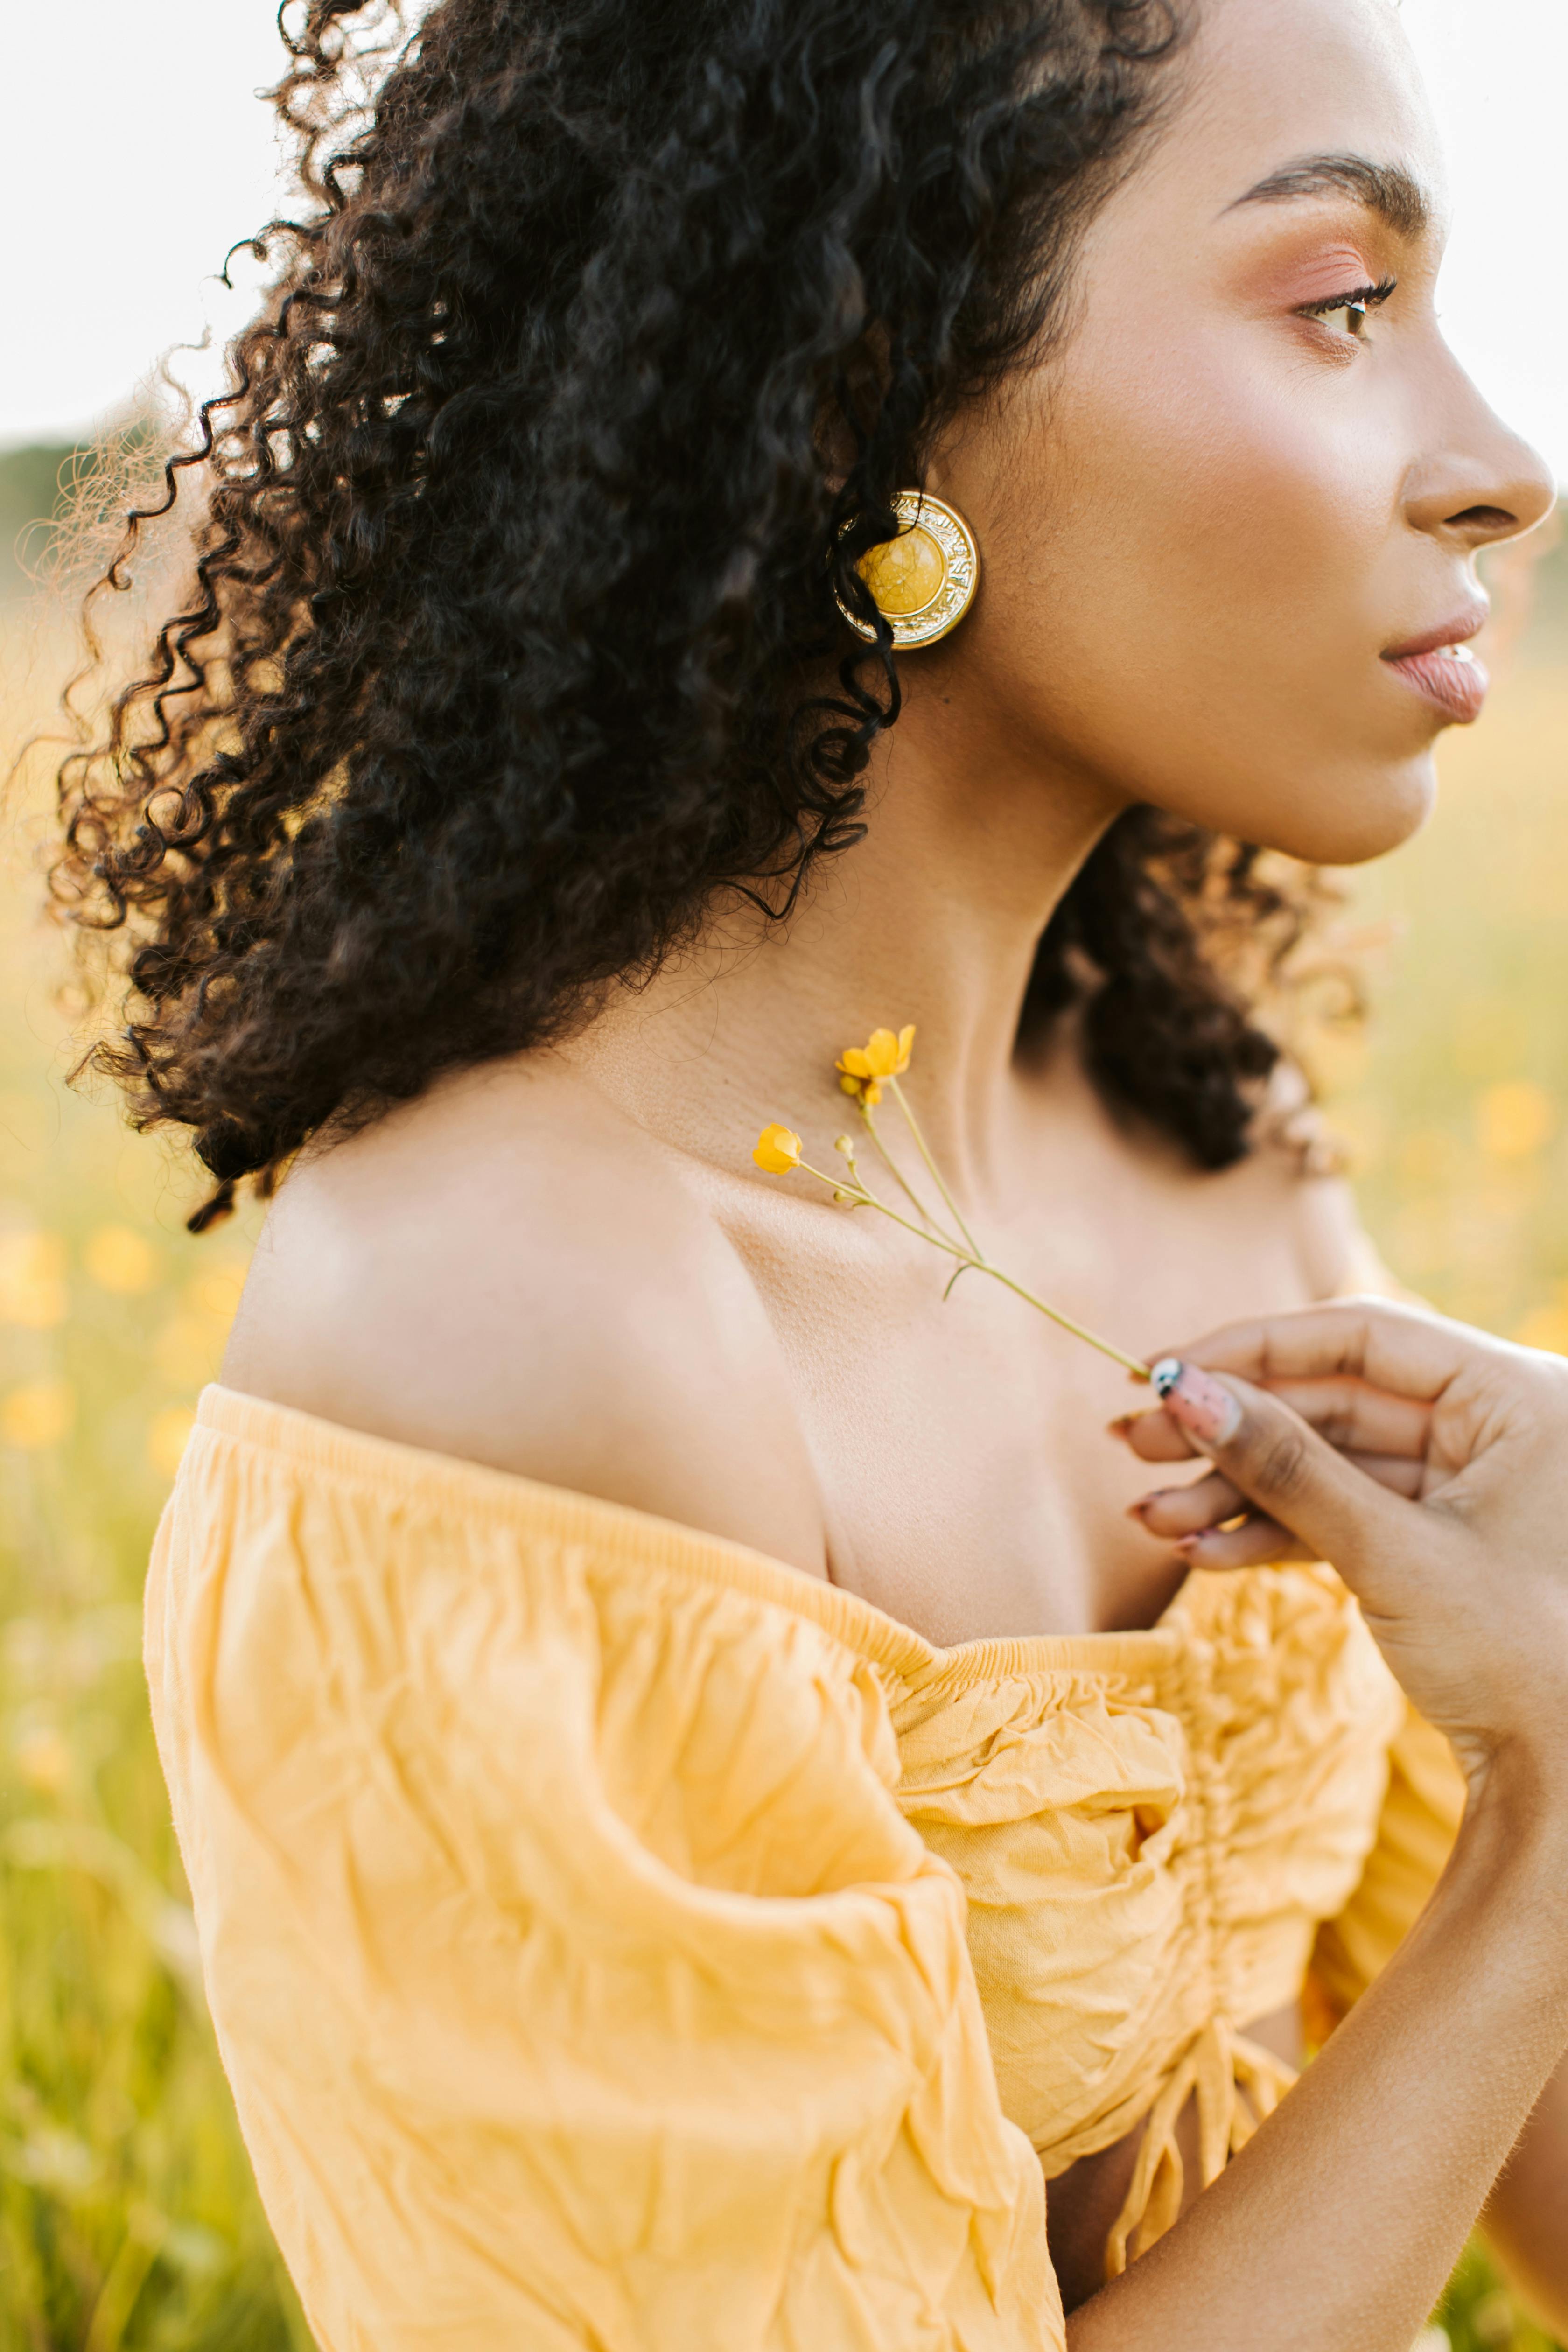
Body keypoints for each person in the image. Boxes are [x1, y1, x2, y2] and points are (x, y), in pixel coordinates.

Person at [60, 0, 1566, 2340]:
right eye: (1344, 306)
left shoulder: (1214, 1151)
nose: (1500, 465)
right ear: (881, 373)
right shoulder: (528, 1315)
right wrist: (1544, 1868)